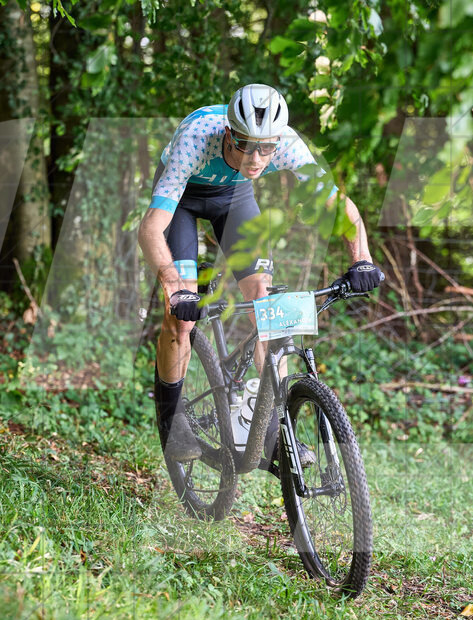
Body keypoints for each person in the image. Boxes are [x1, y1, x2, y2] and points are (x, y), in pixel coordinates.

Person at [137, 83, 383, 463]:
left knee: (268, 310)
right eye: (245, 145)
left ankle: (271, 434)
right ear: (228, 135)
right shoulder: (197, 136)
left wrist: (362, 259)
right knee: (180, 320)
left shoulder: (285, 142)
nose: (256, 157)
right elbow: (151, 227)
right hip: (182, 199)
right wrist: (176, 289)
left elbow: (336, 203)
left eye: (265, 148)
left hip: (234, 198)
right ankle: (173, 421)